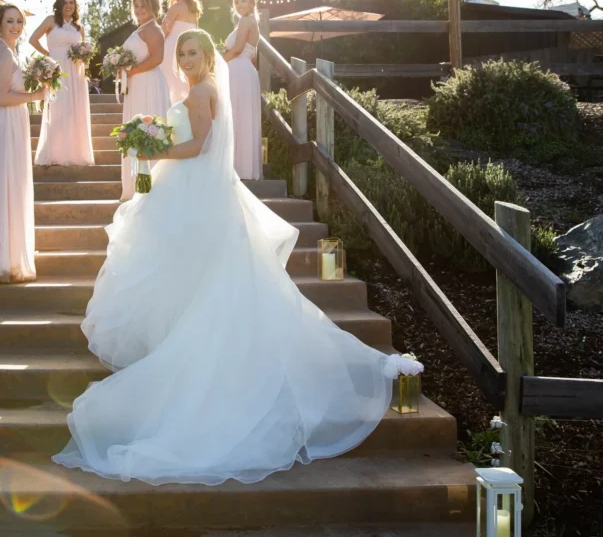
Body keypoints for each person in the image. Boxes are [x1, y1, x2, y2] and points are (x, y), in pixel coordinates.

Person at [52, 28, 404, 486]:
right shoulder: (199, 89)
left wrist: (152, 148)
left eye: (193, 51)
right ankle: (177, 343)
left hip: (194, 192)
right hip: (194, 191)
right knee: (191, 276)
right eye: (181, 53)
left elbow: (197, 147)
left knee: (190, 273)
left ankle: (188, 359)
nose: (186, 58)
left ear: (208, 53)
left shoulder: (202, 91)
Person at [0, 4, 48, 283]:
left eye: (19, 21)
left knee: (10, 183)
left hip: (10, 122)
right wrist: (37, 95)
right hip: (6, 122)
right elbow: (3, 99)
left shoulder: (9, 51)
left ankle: (10, 250)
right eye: (10, 21)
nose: (16, 25)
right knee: (6, 183)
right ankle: (6, 256)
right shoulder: (3, 52)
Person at [28, 0, 95, 167]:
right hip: (57, 71)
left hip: (75, 72)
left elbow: (84, 49)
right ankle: (56, 152)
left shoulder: (79, 28)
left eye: (71, 2)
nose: (68, 6)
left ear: (75, 5)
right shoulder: (51, 21)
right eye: (65, 2)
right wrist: (48, 56)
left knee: (74, 110)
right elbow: (33, 39)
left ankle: (76, 152)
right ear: (59, 4)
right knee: (58, 108)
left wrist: (83, 57)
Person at [117, 0, 171, 202]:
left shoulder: (153, 30)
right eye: (136, 6)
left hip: (148, 82)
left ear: (153, 7)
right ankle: (138, 185)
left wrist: (131, 71)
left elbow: (157, 58)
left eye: (143, 5)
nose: (139, 10)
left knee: (147, 129)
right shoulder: (141, 28)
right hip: (137, 84)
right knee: (135, 130)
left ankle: (152, 184)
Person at [222, 0, 262, 180]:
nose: (239, 5)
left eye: (244, 1)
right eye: (236, 2)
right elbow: (251, 54)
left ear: (252, 4)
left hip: (238, 69)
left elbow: (237, 49)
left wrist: (218, 62)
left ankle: (238, 167)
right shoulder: (250, 22)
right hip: (244, 70)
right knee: (242, 116)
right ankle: (243, 166)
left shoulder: (246, 21)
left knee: (237, 115)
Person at [159, 0, 201, 104]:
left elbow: (162, 32)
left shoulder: (176, 8)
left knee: (170, 84)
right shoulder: (194, 10)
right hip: (189, 50)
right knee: (183, 86)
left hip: (172, 50)